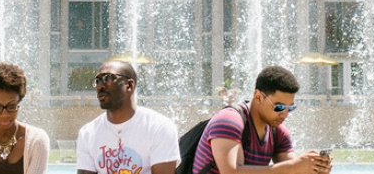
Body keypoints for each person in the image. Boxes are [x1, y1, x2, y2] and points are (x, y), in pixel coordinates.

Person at [192, 66, 330, 174]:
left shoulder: (278, 132)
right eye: (279, 107)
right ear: (258, 96)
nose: (285, 114)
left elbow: (291, 168)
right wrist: (293, 167)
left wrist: (313, 168)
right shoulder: (229, 120)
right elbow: (231, 172)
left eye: (290, 108)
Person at [76, 60, 180, 174]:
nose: (100, 86)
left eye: (108, 78)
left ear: (129, 85)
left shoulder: (159, 127)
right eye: (97, 81)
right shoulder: (88, 133)